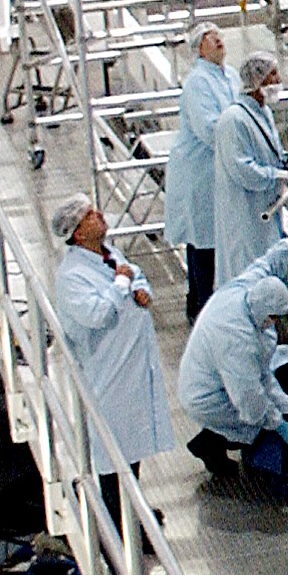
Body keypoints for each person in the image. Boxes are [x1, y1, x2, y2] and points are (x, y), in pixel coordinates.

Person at [49, 192, 175, 535]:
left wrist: (140, 288)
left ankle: (132, 518)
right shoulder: (72, 277)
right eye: (90, 214)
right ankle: (120, 535)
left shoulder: (107, 253)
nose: (100, 215)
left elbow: (132, 273)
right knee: (112, 460)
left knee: (130, 457)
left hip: (130, 371)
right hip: (108, 377)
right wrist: (122, 284)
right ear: (76, 232)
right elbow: (98, 313)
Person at [175, 224, 288, 480]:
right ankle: (214, 449)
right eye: (273, 317)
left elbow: (267, 264)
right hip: (206, 397)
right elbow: (250, 401)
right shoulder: (237, 339)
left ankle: (219, 441)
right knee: (255, 425)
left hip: (211, 378)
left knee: (287, 409)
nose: (273, 322)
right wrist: (279, 425)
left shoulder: (247, 290)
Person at [163, 27, 236, 320]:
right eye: (210, 36)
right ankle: (202, 310)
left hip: (219, 170)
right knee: (204, 241)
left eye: (219, 33)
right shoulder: (197, 82)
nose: (218, 38)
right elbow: (209, 129)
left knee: (208, 238)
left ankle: (199, 302)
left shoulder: (230, 75)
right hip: (200, 174)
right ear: (199, 48)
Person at [213, 51, 288, 288]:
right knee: (247, 279)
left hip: (264, 213)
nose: (278, 80)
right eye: (273, 75)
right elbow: (244, 171)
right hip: (245, 218)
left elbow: (268, 154)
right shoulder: (233, 120)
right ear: (258, 82)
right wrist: (282, 175)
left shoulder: (262, 112)